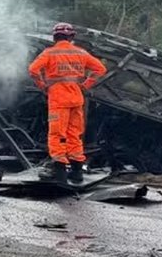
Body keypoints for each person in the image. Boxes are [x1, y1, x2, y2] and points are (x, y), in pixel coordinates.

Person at [28, 23, 106, 182]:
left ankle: (59, 172)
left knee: (57, 134)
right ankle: (77, 173)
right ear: (71, 37)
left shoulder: (49, 53)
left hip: (58, 99)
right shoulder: (80, 53)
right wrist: (85, 85)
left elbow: (33, 70)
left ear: (55, 37)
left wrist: (42, 85)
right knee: (74, 134)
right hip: (76, 98)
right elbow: (100, 69)